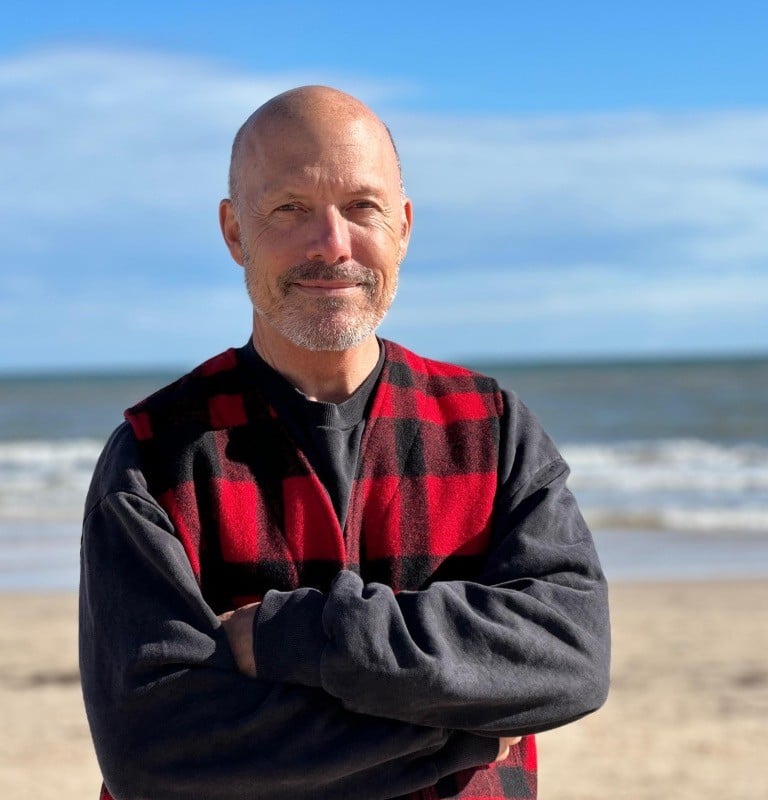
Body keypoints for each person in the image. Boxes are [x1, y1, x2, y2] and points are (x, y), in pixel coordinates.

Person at [79, 85, 610, 800]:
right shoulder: (153, 456)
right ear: (235, 232)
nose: (331, 244)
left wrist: (297, 638)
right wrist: (465, 727)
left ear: (404, 227)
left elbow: (572, 657)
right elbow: (152, 750)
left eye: (362, 206)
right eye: (289, 208)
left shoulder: (491, 428)